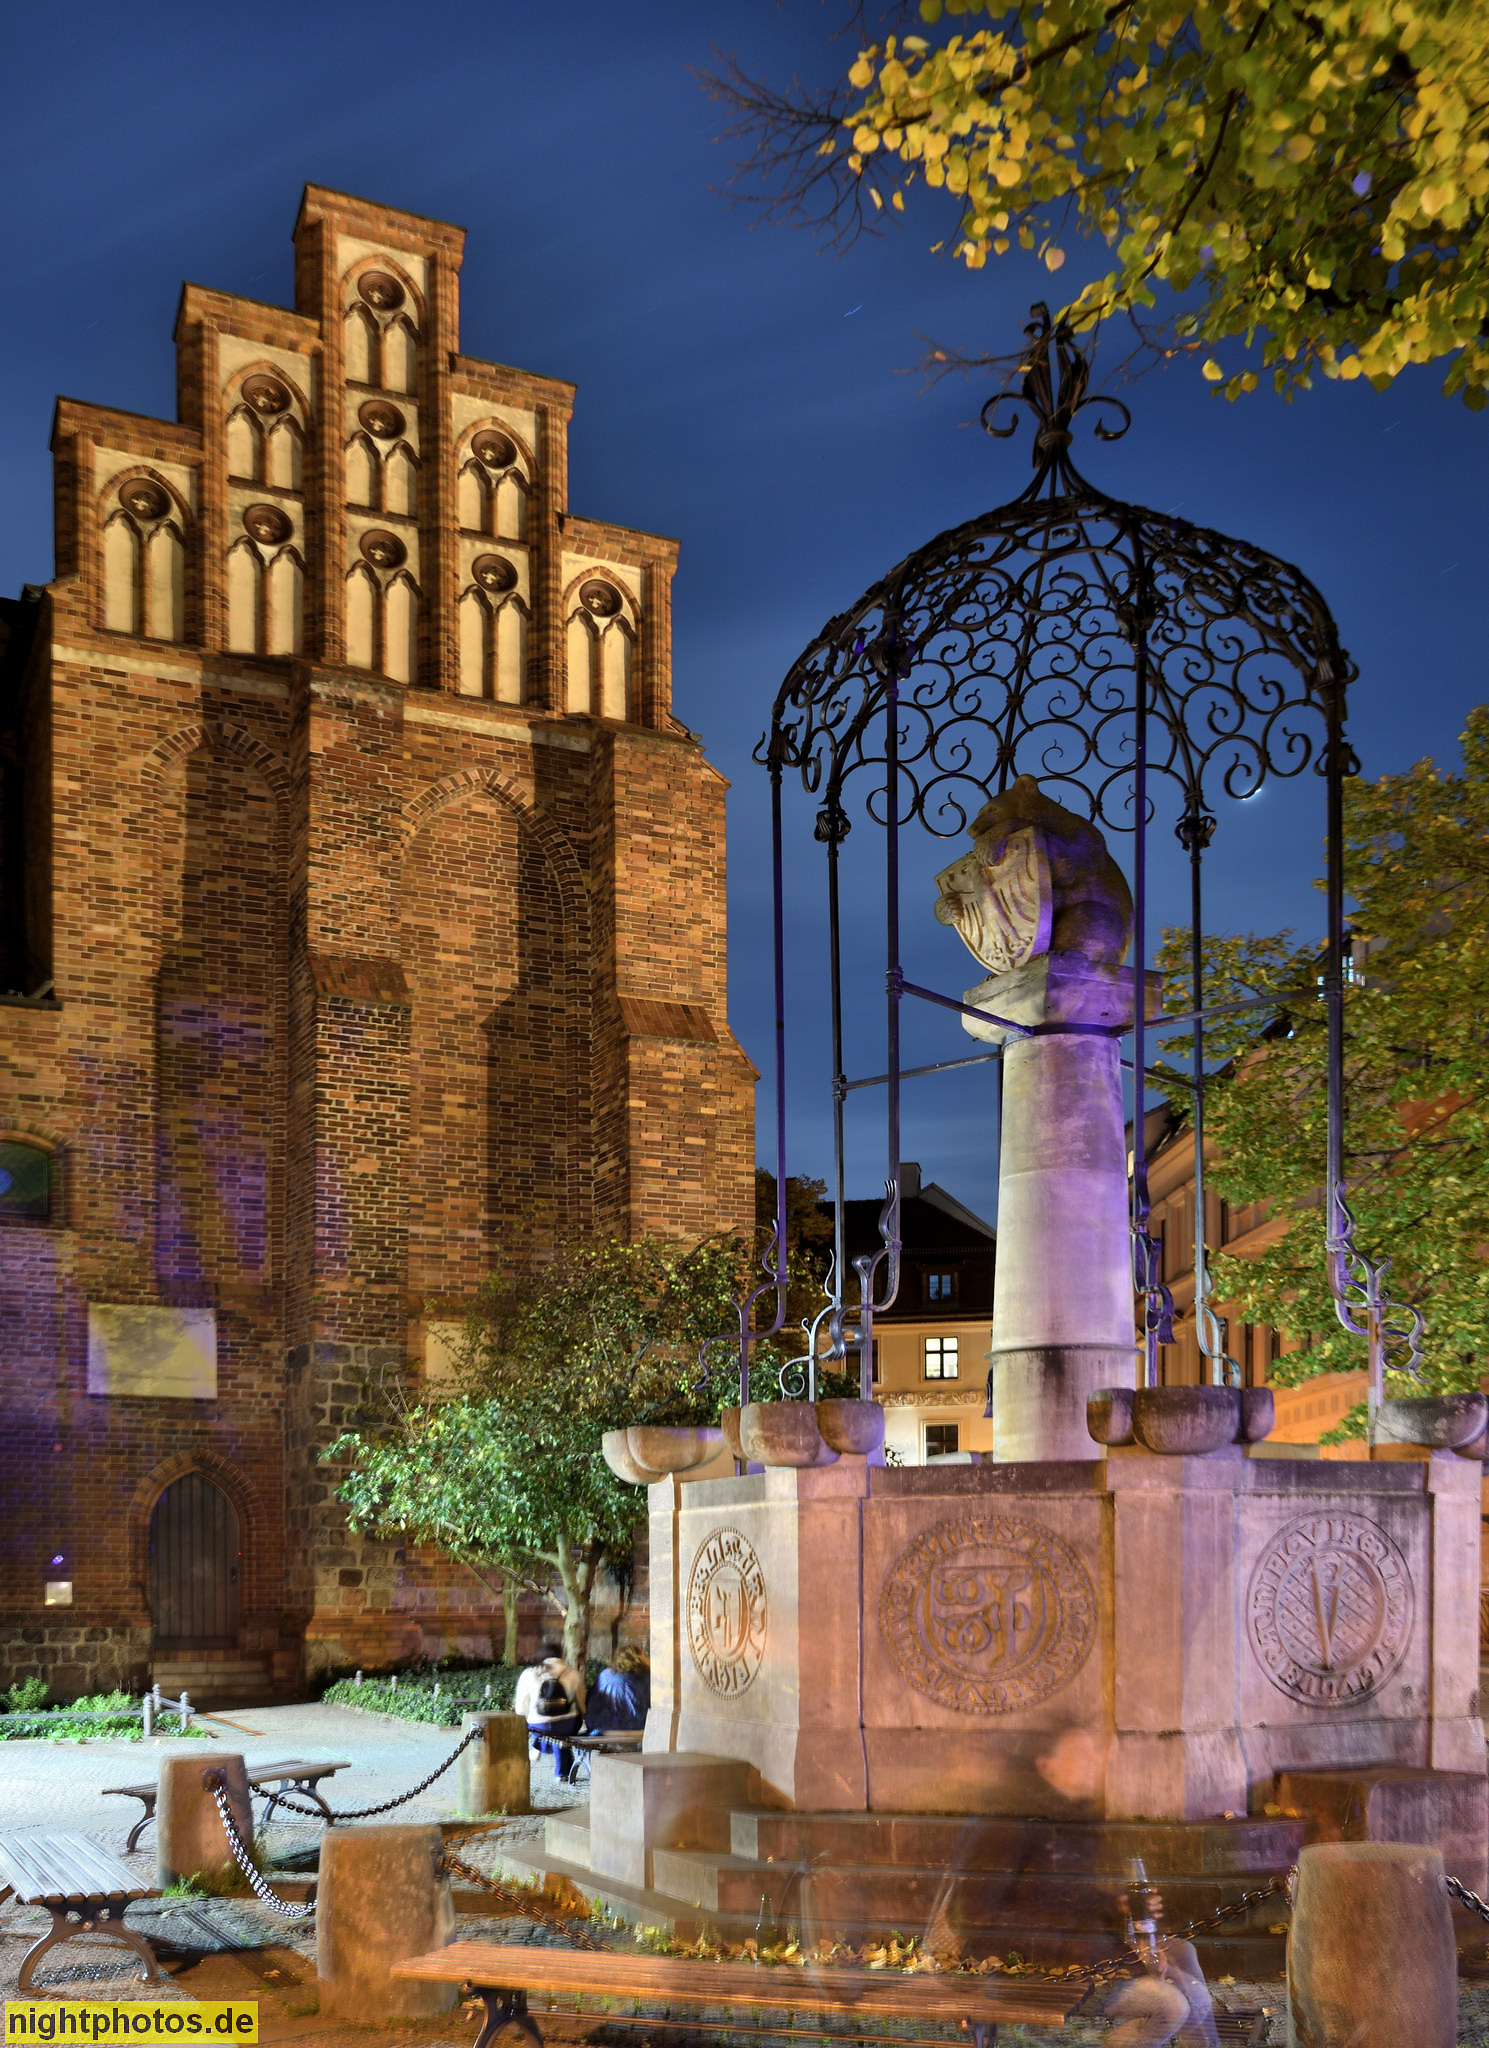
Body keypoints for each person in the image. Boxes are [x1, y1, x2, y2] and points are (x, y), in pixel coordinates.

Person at [514, 1643, 586, 1782]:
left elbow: (521, 1708)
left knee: (549, 1731)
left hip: (538, 1726)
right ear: (561, 1655)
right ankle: (562, 1773)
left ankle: (539, 1744)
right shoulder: (573, 1674)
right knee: (561, 1734)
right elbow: (582, 1705)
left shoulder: (529, 1673)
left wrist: (530, 1719)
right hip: (567, 1725)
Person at [584, 1645, 650, 1735]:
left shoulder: (605, 1675)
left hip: (603, 1728)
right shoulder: (646, 1677)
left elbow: (591, 1698)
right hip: (637, 1728)